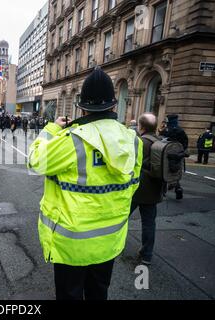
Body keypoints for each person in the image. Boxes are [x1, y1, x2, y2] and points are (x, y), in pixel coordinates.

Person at [28, 67, 142, 300]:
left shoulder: (73, 141)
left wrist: (51, 129)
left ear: (82, 106)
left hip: (72, 244)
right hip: (109, 241)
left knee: (69, 295)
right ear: (113, 104)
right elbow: (133, 186)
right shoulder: (133, 141)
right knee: (99, 293)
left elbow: (35, 162)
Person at [130, 113, 165, 265]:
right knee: (149, 223)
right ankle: (146, 255)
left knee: (120, 217)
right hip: (155, 189)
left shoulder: (139, 142)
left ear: (141, 127)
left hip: (137, 189)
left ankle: (110, 246)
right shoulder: (161, 142)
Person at [160, 114, 188, 199]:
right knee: (175, 171)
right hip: (177, 155)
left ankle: (163, 191)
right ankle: (177, 188)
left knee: (164, 170)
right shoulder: (180, 130)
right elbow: (185, 143)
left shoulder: (166, 130)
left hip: (166, 154)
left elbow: (160, 140)